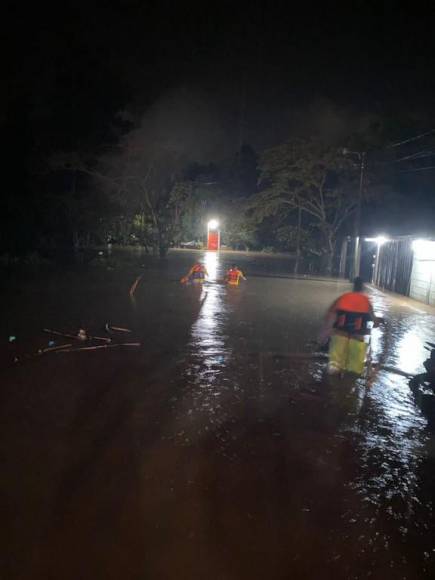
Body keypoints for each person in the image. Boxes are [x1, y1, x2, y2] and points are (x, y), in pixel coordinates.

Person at [319, 277, 382, 375]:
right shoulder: (366, 301)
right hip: (357, 337)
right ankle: (348, 385)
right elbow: (374, 320)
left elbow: (329, 314)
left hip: (340, 335)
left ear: (353, 286)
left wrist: (325, 334)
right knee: (353, 371)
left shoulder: (343, 297)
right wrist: (376, 323)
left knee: (334, 367)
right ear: (362, 287)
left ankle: (333, 385)